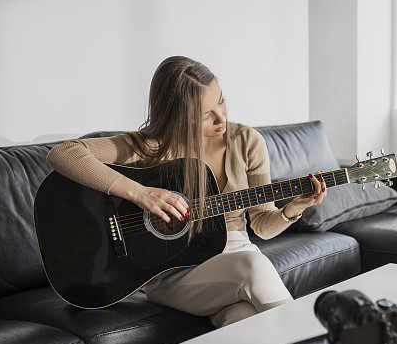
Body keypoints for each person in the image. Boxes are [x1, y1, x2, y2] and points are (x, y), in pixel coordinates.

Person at [46, 56, 327, 327]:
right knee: (253, 266)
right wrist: (140, 193)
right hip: (174, 272)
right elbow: (63, 153)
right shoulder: (148, 147)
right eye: (207, 115)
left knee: (245, 320)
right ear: (177, 116)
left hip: (235, 257)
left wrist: (293, 209)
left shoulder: (247, 141)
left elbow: (262, 227)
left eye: (222, 101)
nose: (222, 118)